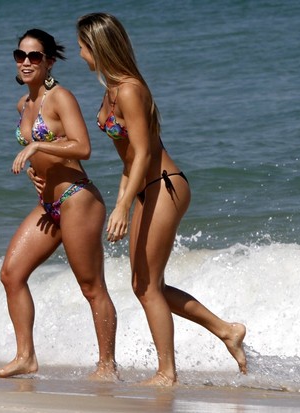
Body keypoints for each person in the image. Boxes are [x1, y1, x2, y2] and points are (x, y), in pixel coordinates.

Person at [76, 13, 247, 386]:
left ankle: (167, 373)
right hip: (145, 187)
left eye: (83, 48)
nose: (80, 55)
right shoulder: (111, 91)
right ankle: (226, 331)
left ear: (98, 47)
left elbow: (143, 152)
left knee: (149, 286)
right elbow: (129, 161)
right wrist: (123, 199)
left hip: (165, 185)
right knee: (144, 285)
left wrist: (123, 207)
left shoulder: (130, 90)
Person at [0, 28, 118, 381]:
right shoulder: (23, 104)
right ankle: (25, 357)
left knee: (91, 287)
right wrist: (35, 170)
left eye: (34, 56)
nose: (26, 62)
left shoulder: (60, 97)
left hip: (77, 199)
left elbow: (82, 147)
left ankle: (107, 366)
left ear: (49, 62)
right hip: (48, 205)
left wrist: (37, 146)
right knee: (11, 275)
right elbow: (42, 154)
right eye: (20, 55)